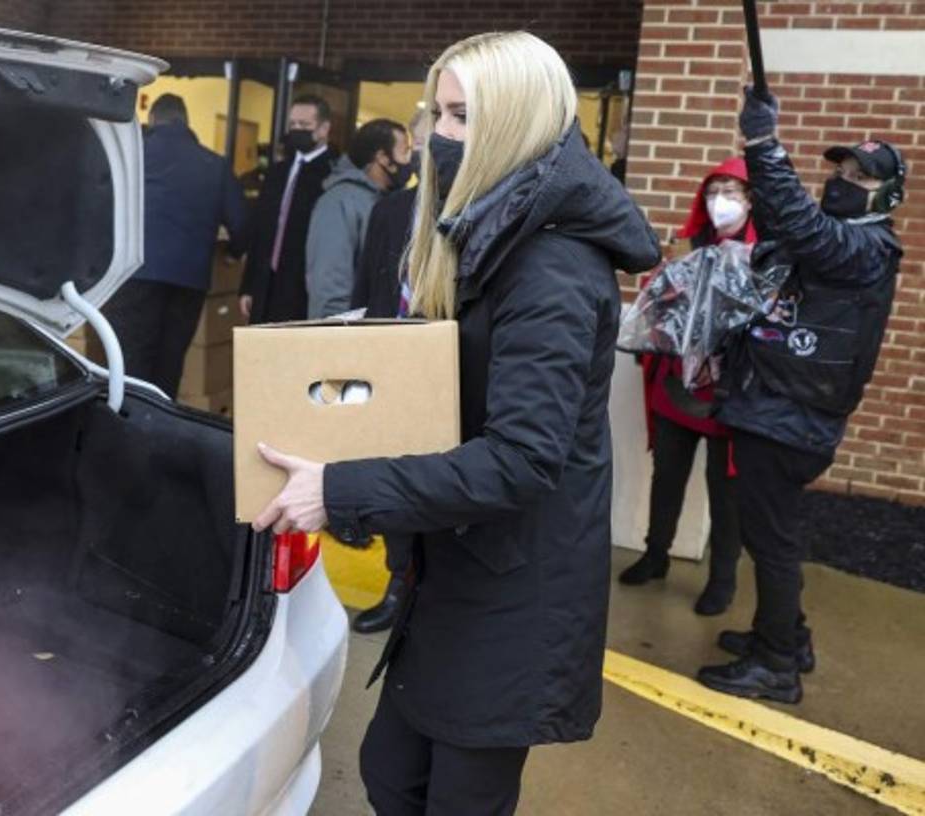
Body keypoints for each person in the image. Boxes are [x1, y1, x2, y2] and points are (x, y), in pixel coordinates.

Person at [250, 32, 661, 812]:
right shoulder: (491, 232)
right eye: (438, 111)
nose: (440, 134)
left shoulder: (553, 267)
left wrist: (341, 489)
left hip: (512, 594)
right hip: (457, 573)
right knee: (391, 776)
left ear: (514, 122)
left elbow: (520, 458)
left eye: (463, 116)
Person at [696, 88, 906, 704]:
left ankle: (777, 664)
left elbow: (802, 226)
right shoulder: (841, 242)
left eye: (861, 174)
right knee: (768, 536)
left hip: (790, 418)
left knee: (773, 541)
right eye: (839, 168)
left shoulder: (866, 246)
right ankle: (785, 634)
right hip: (774, 407)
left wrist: (762, 145)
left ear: (885, 194)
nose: (843, 179)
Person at [619, 157, 755, 616]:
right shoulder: (690, 248)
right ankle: (656, 554)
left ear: (752, 199)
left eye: (732, 191)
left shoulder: (768, 255)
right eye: (714, 190)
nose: (721, 201)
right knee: (668, 477)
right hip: (679, 386)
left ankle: (722, 579)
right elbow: (660, 307)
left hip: (729, 396)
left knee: (727, 492)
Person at [103, 93, 245, 396]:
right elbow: (242, 225)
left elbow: (99, 205)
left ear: (152, 119)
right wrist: (233, 254)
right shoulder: (215, 165)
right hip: (189, 280)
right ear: (186, 121)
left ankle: (130, 425)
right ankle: (161, 425)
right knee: (170, 361)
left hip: (134, 273)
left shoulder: (133, 156)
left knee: (129, 361)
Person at [347, 110, 428, 635]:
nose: (421, 146)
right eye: (419, 137)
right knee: (392, 477)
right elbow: (364, 288)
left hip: (440, 367)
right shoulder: (390, 210)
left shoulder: (476, 214)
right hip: (384, 360)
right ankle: (398, 583)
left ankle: (430, 587)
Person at [238, 95, 337, 324]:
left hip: (301, 287)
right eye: (293, 125)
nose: (296, 130)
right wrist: (248, 286)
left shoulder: (331, 175)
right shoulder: (277, 172)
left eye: (304, 125)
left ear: (324, 129)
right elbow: (260, 231)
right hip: (265, 282)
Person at [305, 118, 412, 319]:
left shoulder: (390, 203)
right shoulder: (339, 202)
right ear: (383, 157)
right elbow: (329, 285)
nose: (410, 159)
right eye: (405, 151)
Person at [352, 109, 429, 318]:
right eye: (415, 145)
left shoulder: (471, 209)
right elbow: (364, 289)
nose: (415, 155)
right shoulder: (388, 209)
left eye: (424, 144)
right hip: (383, 337)